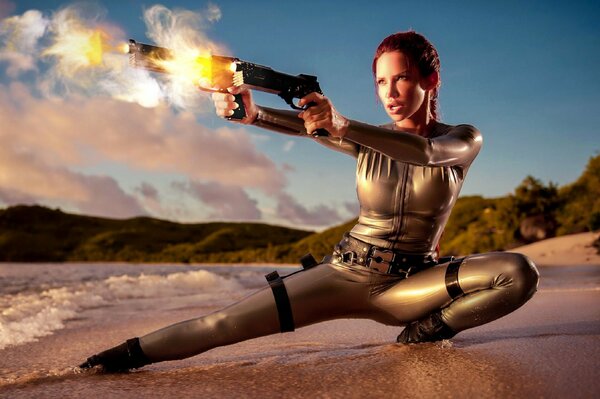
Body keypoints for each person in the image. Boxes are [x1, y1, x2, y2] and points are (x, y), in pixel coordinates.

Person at [80, 31, 539, 372]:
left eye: (401, 79)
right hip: (343, 274)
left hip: (412, 287)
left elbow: (426, 153)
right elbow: (306, 126)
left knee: (518, 272)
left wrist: (342, 124)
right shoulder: (364, 140)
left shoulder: (463, 139)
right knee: (221, 326)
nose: (390, 93)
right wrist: (253, 113)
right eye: (381, 83)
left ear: (430, 79)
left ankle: (425, 334)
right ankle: (107, 361)